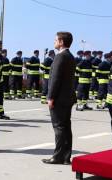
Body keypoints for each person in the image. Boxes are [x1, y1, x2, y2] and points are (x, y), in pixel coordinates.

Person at [42, 31, 76, 165]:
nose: (54, 42)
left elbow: (55, 79)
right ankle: (66, 156)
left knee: (59, 128)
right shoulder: (70, 56)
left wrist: (50, 97)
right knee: (66, 127)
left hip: (59, 99)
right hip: (68, 97)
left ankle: (58, 156)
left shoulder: (60, 57)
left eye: (56, 40)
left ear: (61, 42)